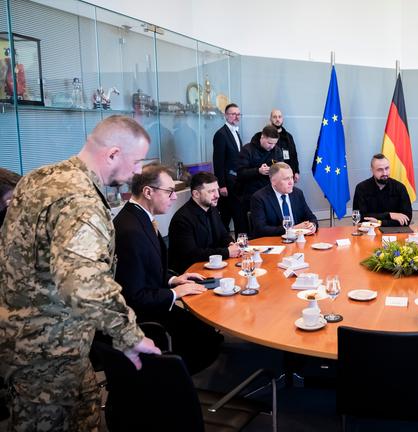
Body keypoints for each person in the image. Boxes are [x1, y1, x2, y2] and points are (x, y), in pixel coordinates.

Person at [0, 115, 160, 430]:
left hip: (37, 338)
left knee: (87, 412)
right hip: (47, 351)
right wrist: (129, 335)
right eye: (136, 161)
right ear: (113, 154)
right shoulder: (81, 202)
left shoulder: (39, 178)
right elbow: (83, 282)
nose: (137, 171)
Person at [114, 164, 222, 375]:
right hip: (144, 317)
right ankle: (178, 384)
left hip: (155, 299)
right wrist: (174, 293)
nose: (174, 197)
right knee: (206, 337)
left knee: (208, 330)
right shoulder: (131, 231)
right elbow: (134, 296)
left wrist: (174, 280)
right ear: (148, 192)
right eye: (169, 191)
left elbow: (147, 271)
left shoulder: (138, 218)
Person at [168, 171, 242, 274]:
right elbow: (192, 254)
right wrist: (227, 252)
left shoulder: (212, 209)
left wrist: (230, 244)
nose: (217, 195)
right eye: (211, 191)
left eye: (217, 190)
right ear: (196, 194)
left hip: (214, 266)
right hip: (191, 273)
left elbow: (223, 235)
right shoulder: (182, 219)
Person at [250, 162, 318, 238]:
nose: (291, 182)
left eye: (291, 177)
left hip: (298, 241)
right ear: (273, 181)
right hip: (273, 242)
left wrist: (313, 225)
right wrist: (292, 229)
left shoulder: (297, 193)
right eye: (286, 179)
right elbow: (260, 229)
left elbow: (311, 217)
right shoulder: (259, 198)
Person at [237, 124, 283, 227]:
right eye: (269, 143)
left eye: (274, 143)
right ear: (262, 137)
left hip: (271, 194)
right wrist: (258, 171)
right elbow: (240, 173)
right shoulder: (247, 149)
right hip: (251, 194)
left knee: (272, 224)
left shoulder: (277, 150)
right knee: (254, 225)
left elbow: (281, 169)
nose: (272, 146)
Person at [352, 154, 412, 226]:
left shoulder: (400, 187)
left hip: (394, 231)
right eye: (380, 170)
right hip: (368, 230)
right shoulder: (361, 188)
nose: (385, 173)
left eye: (387, 168)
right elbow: (358, 218)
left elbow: (407, 219)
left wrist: (380, 222)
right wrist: (389, 215)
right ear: (372, 170)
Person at [212, 103, 245, 234]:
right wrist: (221, 185)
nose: (236, 117)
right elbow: (218, 162)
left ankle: (239, 241)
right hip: (227, 184)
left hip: (236, 182)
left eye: (238, 114)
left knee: (237, 216)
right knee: (226, 217)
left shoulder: (235, 132)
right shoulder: (220, 134)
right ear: (226, 115)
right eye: (233, 114)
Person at [252, 109, 300, 183]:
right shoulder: (260, 136)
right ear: (270, 119)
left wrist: (296, 171)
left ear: (282, 119)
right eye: (274, 117)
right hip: (267, 177)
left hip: (285, 174)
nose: (277, 119)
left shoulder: (288, 137)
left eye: (279, 117)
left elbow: (293, 155)